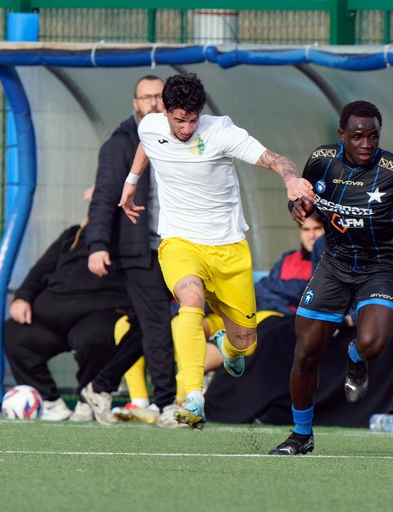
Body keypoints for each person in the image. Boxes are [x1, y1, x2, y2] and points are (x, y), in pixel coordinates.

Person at [119, 73, 315, 430]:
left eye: (193, 119)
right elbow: (148, 144)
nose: (186, 127)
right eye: (180, 119)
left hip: (228, 249)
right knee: (189, 300)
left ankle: (228, 347)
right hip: (180, 241)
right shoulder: (151, 125)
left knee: (246, 345)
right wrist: (131, 182)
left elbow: (276, 159)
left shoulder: (221, 132)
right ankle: (191, 396)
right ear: (164, 110)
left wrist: (290, 179)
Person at [268, 100, 393, 455]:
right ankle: (301, 435)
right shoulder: (322, 160)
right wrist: (297, 206)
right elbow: (301, 200)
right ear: (342, 136)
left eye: (373, 136)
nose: (366, 143)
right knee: (305, 354)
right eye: (357, 136)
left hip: (382, 266)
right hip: (334, 264)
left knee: (372, 344)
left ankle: (356, 358)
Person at [83, 75, 180, 427]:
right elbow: (105, 199)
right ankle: (167, 403)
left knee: (145, 325)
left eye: (159, 96)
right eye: (147, 97)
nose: (154, 102)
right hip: (138, 250)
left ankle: (100, 385)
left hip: (171, 247)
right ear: (134, 103)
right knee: (157, 325)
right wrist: (97, 246)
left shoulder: (176, 136)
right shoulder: (120, 144)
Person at [3, 187, 130, 421]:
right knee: (14, 332)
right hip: (49, 317)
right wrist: (23, 297)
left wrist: (110, 196)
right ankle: (49, 402)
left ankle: (88, 398)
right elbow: (41, 269)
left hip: (97, 314)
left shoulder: (126, 238)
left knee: (93, 337)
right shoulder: (73, 235)